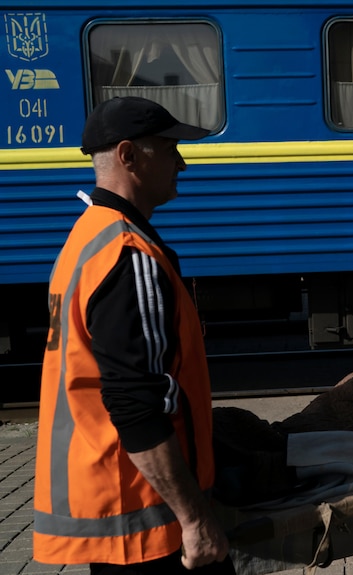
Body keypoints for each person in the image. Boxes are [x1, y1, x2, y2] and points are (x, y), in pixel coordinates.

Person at [33, 97, 235, 574]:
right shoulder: (127, 253)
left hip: (114, 500)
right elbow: (135, 402)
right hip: (147, 519)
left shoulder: (88, 237)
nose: (182, 162)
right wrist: (195, 519)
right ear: (128, 155)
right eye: (169, 149)